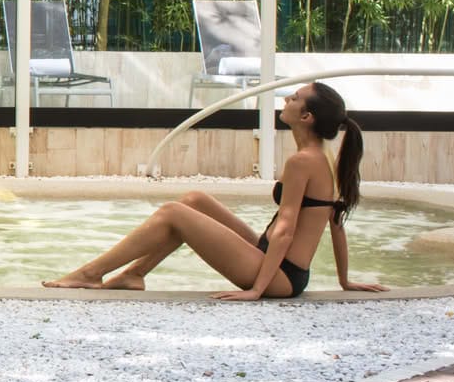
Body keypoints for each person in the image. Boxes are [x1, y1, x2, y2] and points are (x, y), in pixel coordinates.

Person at [44, 82, 387, 299]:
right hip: (280, 264)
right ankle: (134, 273)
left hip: (279, 275)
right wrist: (345, 281)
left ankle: (91, 274)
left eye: (295, 98)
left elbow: (284, 231)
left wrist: (256, 290)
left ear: (306, 116)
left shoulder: (303, 161)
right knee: (193, 201)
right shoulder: (326, 156)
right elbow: (336, 221)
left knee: (172, 213)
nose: (287, 98)